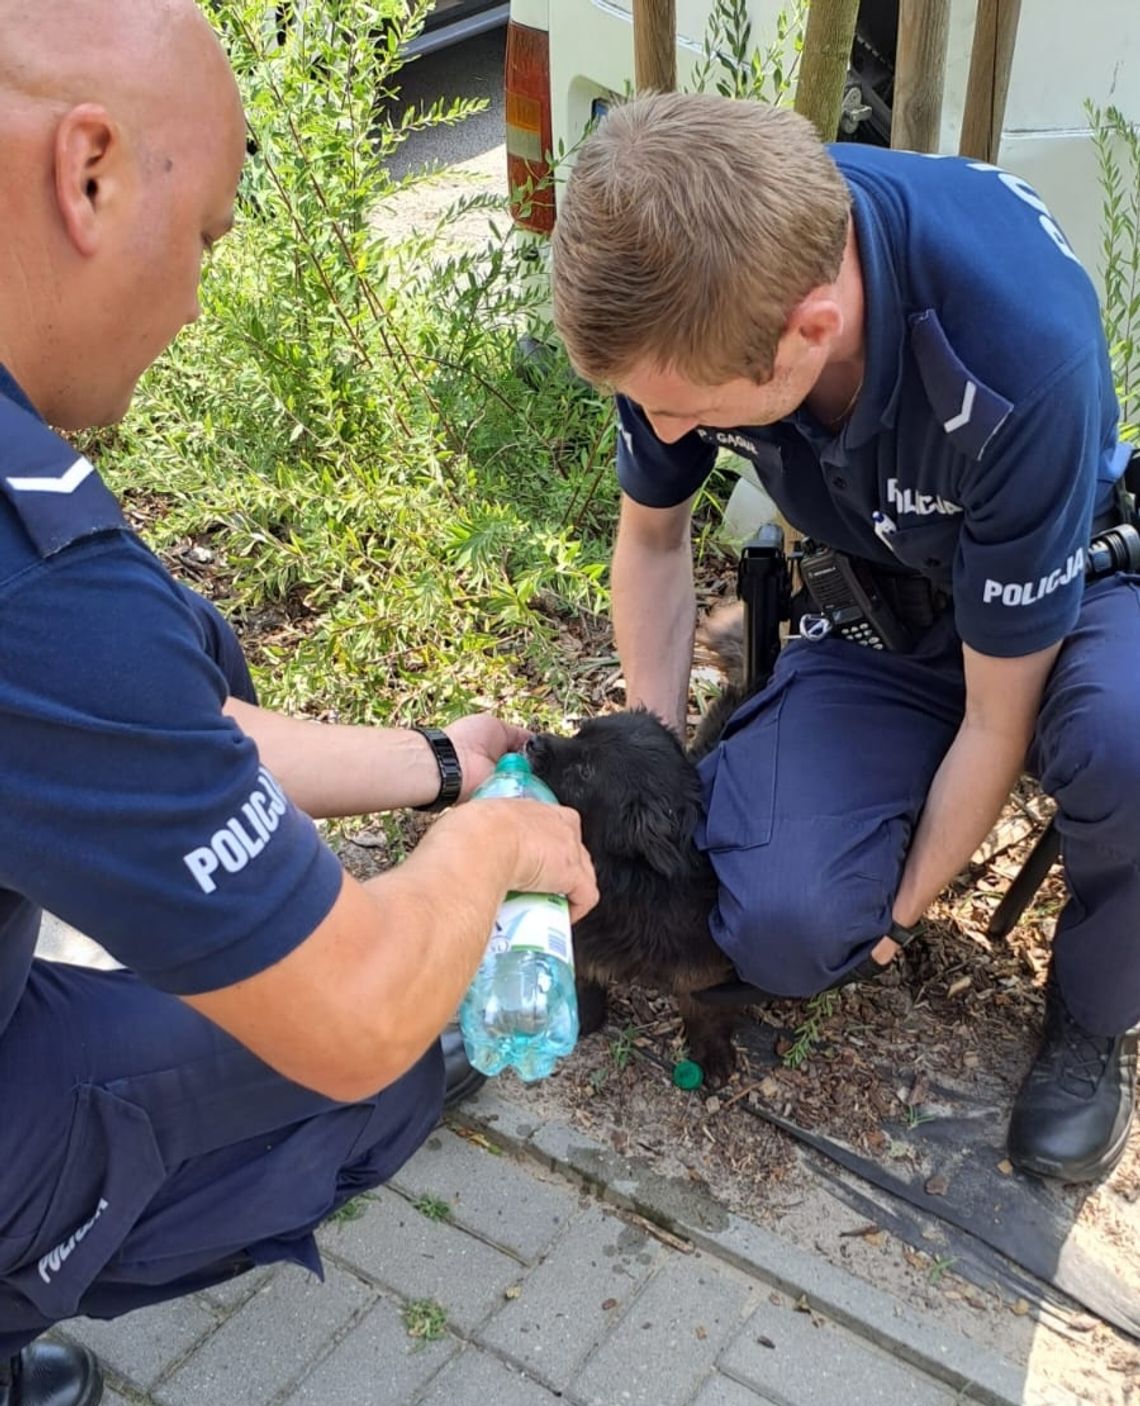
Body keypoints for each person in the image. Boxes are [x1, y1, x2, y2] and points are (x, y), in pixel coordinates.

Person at [0, 3, 598, 1402]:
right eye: (205, 237)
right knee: (379, 1057)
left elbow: (127, 739)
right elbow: (354, 1006)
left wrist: (440, 764)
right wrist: (497, 848)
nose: (200, 299)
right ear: (88, 172)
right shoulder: (36, 579)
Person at [550, 91, 1139, 1187]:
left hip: (1063, 590)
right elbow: (655, 539)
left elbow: (998, 712)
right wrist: (650, 749)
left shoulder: (1013, 353)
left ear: (811, 332)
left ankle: (1094, 1012)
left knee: (1127, 739)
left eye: (683, 410)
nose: (664, 430)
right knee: (779, 925)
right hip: (876, 603)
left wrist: (901, 915)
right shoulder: (693, 267)